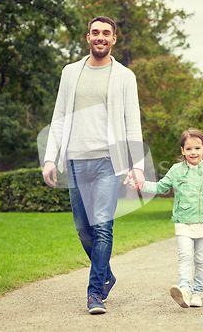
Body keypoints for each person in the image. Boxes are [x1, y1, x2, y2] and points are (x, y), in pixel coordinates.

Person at [42, 16, 145, 315]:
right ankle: (107, 274)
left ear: (114, 39)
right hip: (75, 160)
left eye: (106, 33)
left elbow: (132, 122)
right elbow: (59, 115)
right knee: (83, 229)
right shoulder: (70, 72)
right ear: (88, 37)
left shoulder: (125, 76)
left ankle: (94, 293)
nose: (101, 37)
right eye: (95, 32)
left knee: (102, 227)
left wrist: (136, 165)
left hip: (107, 162)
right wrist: (51, 157)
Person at [127, 128, 203, 308]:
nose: (193, 152)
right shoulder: (176, 170)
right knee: (184, 256)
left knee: (200, 259)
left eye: (197, 148)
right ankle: (184, 290)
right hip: (183, 221)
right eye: (188, 149)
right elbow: (160, 187)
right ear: (182, 150)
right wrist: (141, 186)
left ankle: (197, 292)